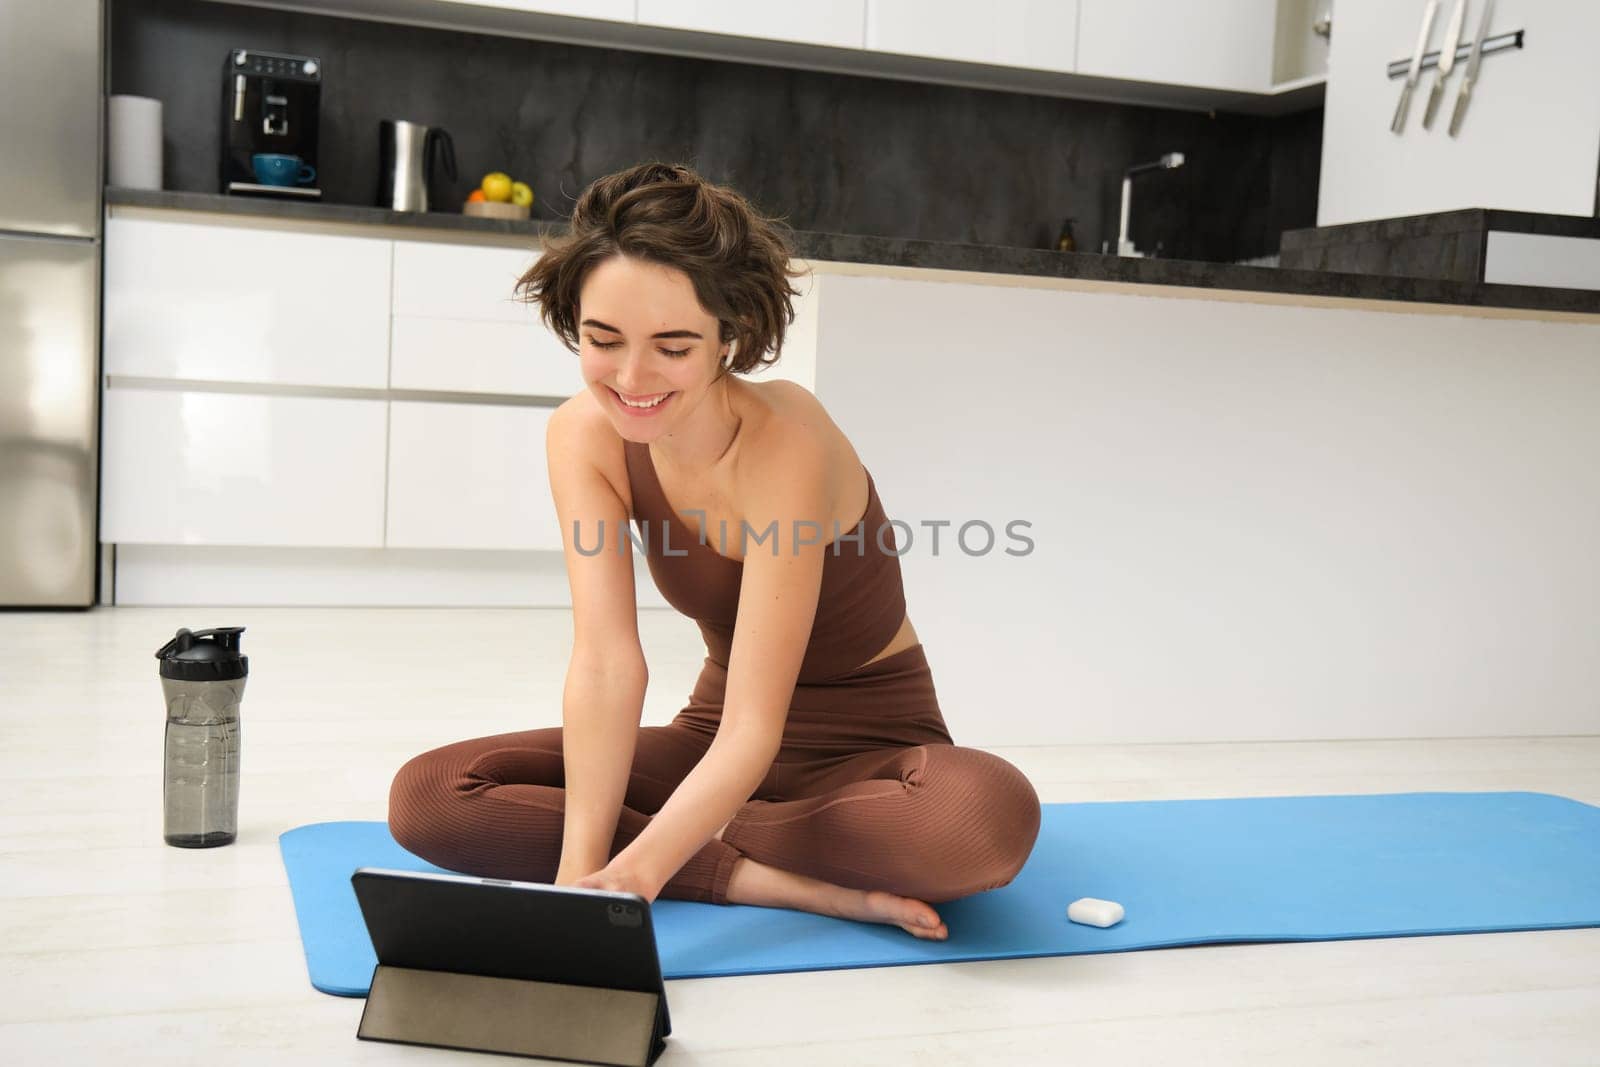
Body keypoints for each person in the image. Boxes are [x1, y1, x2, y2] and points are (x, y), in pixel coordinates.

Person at [388, 161, 1041, 940]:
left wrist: (635, 872)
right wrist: (571, 891)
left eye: (673, 347)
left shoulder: (787, 437)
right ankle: (779, 881)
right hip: (711, 735)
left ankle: (694, 845)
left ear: (728, 335)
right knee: (432, 793)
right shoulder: (582, 434)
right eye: (604, 341)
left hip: (867, 751)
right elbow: (605, 663)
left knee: (976, 821)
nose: (632, 377)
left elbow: (758, 728)